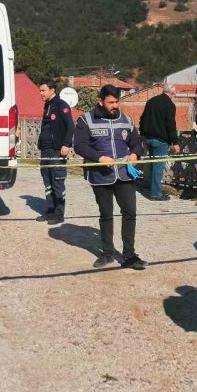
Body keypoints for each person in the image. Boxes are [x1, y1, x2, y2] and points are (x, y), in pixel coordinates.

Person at [74, 84, 147, 270]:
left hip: (124, 174)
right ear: (101, 101)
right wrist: (99, 157)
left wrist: (135, 154)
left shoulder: (127, 120)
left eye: (117, 101)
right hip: (101, 176)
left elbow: (137, 142)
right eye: (111, 102)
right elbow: (80, 146)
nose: (115, 105)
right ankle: (107, 253)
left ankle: (129, 255)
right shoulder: (86, 120)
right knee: (106, 214)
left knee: (130, 212)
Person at [36, 79, 75, 224]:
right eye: (40, 90)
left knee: (57, 181)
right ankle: (50, 210)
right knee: (47, 181)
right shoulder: (48, 105)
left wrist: (66, 144)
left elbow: (71, 126)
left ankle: (59, 214)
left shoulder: (61, 105)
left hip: (56, 150)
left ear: (52, 90)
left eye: (43, 90)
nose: (41, 93)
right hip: (45, 150)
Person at [138, 83, 182, 200]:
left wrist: (143, 134)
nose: (175, 95)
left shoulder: (151, 101)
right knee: (158, 166)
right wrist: (175, 142)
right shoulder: (169, 105)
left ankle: (151, 187)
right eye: (175, 93)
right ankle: (156, 194)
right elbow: (170, 125)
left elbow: (143, 119)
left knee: (152, 165)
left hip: (148, 138)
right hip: (160, 140)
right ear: (172, 93)